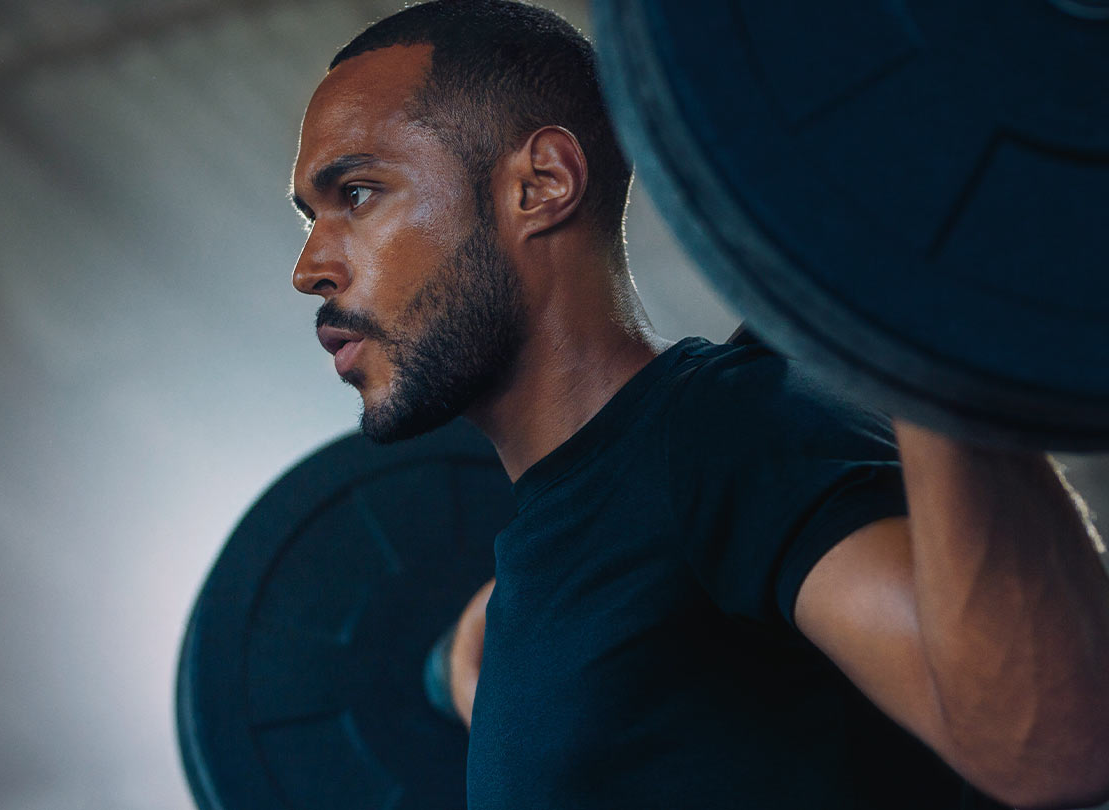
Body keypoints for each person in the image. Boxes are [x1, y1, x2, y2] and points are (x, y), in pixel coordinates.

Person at [286, 1, 1109, 807]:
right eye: (309, 219)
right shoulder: (554, 567)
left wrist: (907, 284)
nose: (311, 267)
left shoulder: (728, 436)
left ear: (541, 184)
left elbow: (1055, 741)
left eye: (356, 194)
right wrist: (473, 665)